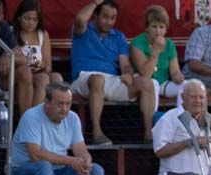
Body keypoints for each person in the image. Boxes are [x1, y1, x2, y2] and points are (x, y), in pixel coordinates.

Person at [9, 81, 104, 175]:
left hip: (55, 174)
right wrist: (72, 161)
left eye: (68, 104)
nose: (65, 109)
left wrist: (86, 161)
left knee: (96, 171)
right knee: (44, 167)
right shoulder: (31, 116)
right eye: (60, 104)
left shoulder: (73, 118)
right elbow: (35, 155)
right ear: (47, 102)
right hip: (22, 172)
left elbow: (80, 149)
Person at [70, 0, 155, 145]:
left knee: (146, 82)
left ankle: (149, 134)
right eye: (105, 16)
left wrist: (128, 73)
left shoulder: (118, 37)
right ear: (95, 16)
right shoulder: (84, 30)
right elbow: (80, 19)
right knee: (97, 79)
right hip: (84, 79)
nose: (109, 22)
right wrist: (96, 2)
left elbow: (125, 64)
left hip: (111, 80)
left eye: (113, 18)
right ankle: (97, 132)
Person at [129, 5, 183, 114]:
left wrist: (178, 76)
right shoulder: (137, 42)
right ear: (147, 28)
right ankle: (154, 123)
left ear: (166, 29)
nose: (158, 31)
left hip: (164, 84)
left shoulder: (169, 44)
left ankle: (182, 122)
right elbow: (146, 74)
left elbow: (175, 71)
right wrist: (156, 50)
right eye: (154, 26)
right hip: (144, 84)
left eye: (161, 27)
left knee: (190, 86)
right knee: (152, 83)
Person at [11, 0, 60, 113]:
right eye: (27, 18)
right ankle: (29, 120)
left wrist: (42, 65)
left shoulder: (43, 34)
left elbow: (48, 67)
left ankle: (33, 120)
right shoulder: (11, 32)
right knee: (29, 75)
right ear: (19, 17)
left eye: (34, 20)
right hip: (17, 76)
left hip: (36, 74)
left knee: (47, 78)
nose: (31, 23)